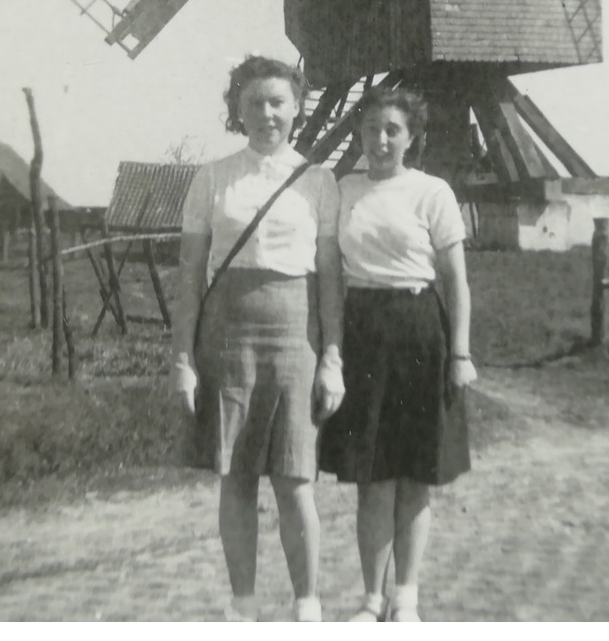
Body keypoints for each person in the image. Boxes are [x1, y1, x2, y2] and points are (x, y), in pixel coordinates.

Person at [172, 55, 345, 622]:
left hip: (296, 336)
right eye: (254, 103)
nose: (267, 114)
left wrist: (333, 360)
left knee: (296, 479)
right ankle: (242, 610)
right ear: (237, 111)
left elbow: (329, 281)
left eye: (278, 102)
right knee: (237, 477)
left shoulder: (320, 181)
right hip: (227, 336)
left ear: (297, 108)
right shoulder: (213, 178)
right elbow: (190, 276)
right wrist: (183, 359)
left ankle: (307, 607)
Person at [319, 86, 476, 622]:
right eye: (371, 129)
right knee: (372, 477)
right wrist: (334, 353)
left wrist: (460, 353)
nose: (380, 140)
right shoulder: (343, 189)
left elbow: (455, 280)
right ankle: (371, 599)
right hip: (364, 331)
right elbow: (332, 277)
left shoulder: (432, 192)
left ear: (412, 137)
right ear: (359, 134)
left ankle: (405, 599)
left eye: (393, 130)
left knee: (415, 474)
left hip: (419, 332)